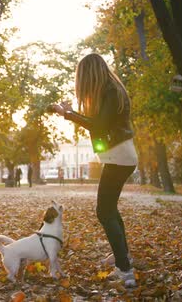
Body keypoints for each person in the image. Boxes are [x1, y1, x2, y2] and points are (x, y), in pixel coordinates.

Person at [51, 53, 138, 288]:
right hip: (121, 156)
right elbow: (101, 121)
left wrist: (66, 114)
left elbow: (98, 125)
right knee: (110, 209)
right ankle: (123, 256)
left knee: (104, 211)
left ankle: (125, 270)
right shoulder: (112, 90)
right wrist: (71, 112)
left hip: (120, 157)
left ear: (90, 74)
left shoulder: (110, 91)